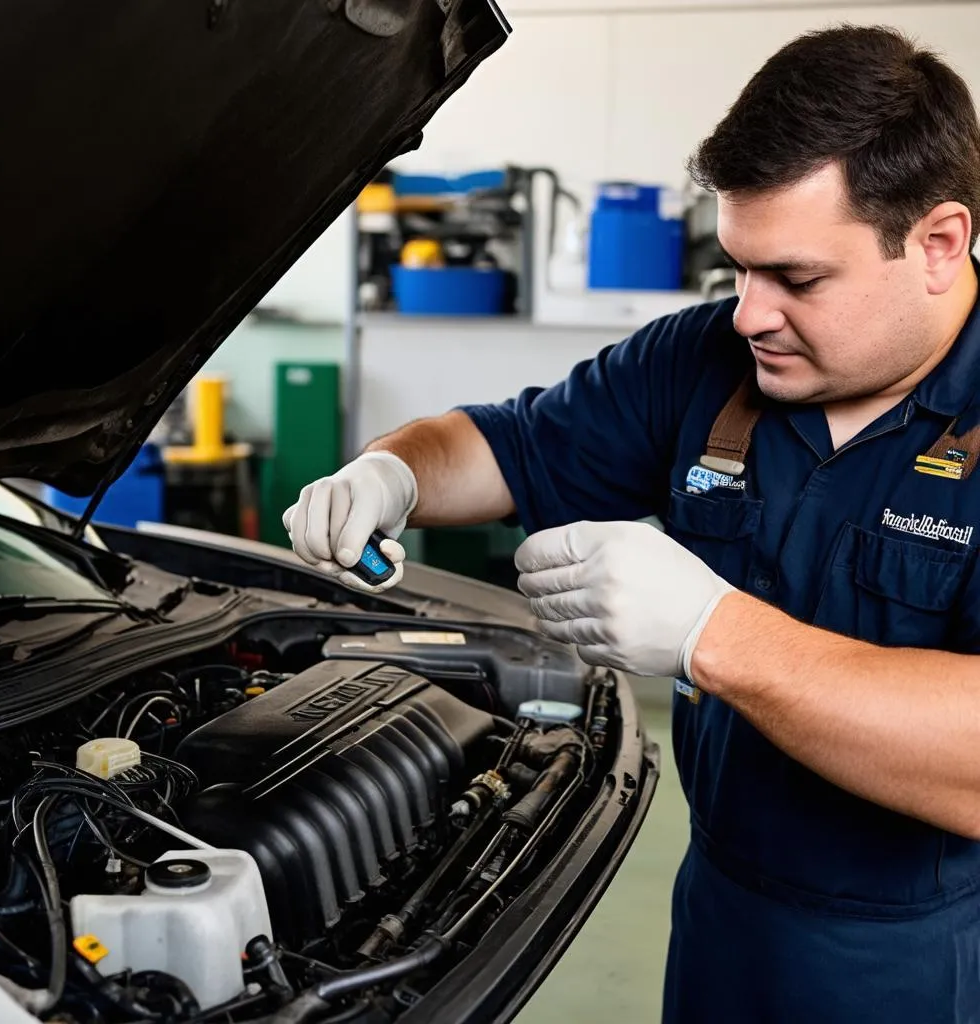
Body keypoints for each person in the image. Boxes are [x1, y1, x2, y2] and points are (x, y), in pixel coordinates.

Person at [283, 25, 980, 1023]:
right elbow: (505, 445)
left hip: (911, 956)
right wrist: (391, 469)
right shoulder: (701, 362)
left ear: (936, 243)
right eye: (738, 268)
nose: (748, 314)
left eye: (796, 278)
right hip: (719, 908)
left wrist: (712, 633)